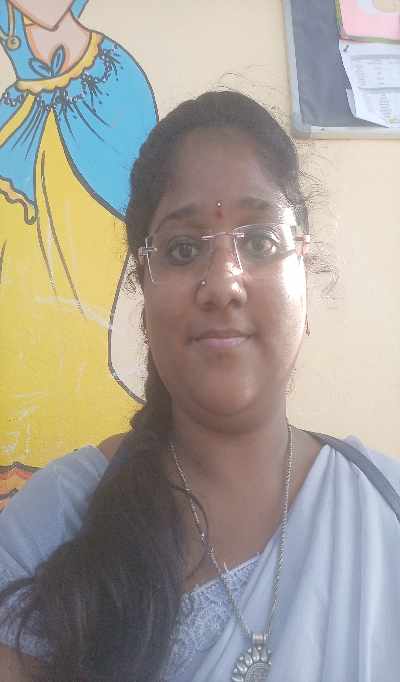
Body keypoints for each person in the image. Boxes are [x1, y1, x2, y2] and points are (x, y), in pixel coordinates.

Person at [0, 90, 399, 682]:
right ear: (144, 292)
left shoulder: (384, 507)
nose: (223, 284)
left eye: (260, 242)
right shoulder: (50, 524)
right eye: (183, 250)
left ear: (305, 276)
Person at [0, 0, 157, 487]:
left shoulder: (112, 80)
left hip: (90, 127)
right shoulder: (12, 103)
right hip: (25, 124)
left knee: (76, 286)